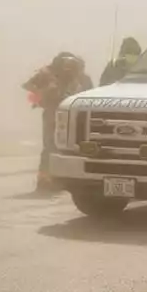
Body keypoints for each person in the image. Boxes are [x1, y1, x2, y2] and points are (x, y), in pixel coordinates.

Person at [23, 52, 91, 193]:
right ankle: (47, 180)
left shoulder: (78, 78)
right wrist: (42, 94)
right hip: (58, 115)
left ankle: (55, 180)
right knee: (53, 147)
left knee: (55, 147)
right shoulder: (50, 75)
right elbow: (29, 86)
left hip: (65, 115)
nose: (68, 70)